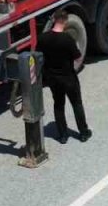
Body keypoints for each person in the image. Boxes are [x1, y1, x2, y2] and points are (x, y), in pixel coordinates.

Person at [38, 10, 90, 144]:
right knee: (76, 103)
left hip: (52, 78)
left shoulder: (43, 37)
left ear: (54, 19)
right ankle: (83, 133)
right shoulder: (67, 39)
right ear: (65, 21)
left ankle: (63, 135)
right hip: (68, 77)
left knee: (58, 104)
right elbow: (78, 57)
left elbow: (37, 55)